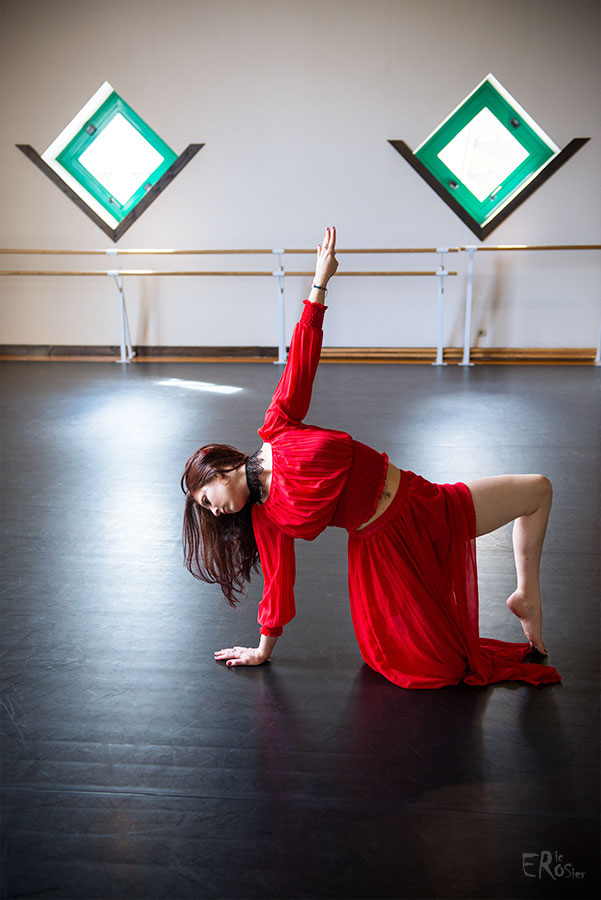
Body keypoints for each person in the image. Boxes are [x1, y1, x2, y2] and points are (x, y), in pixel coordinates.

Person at [181, 227, 560, 688]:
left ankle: (527, 594)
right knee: (436, 668)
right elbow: (278, 587)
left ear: (219, 468)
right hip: (382, 554)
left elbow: (303, 357)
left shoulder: (277, 428)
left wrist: (320, 283)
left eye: (207, 497)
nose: (215, 509)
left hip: (422, 502)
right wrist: (262, 649)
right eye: (207, 510)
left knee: (538, 489)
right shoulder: (267, 520)